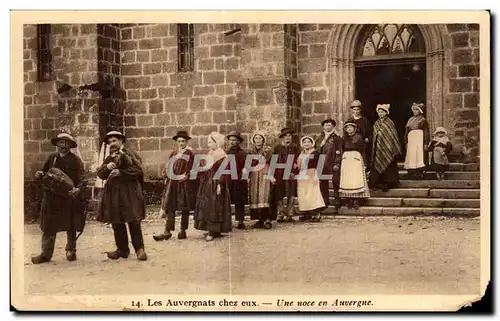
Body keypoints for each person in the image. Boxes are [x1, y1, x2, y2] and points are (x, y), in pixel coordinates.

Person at [31, 133, 86, 264]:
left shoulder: (76, 160)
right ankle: (46, 254)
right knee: (49, 225)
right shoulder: (52, 158)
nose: (64, 146)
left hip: (68, 197)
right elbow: (43, 174)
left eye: (67, 143)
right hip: (52, 197)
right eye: (61, 143)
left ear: (71, 146)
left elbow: (83, 178)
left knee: (71, 224)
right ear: (57, 144)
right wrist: (38, 175)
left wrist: (78, 189)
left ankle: (71, 250)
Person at [96, 131, 148, 261]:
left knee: (133, 220)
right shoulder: (109, 157)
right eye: (109, 142)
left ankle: (139, 250)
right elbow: (101, 174)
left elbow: (139, 170)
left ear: (121, 141)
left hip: (129, 193)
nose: (111, 144)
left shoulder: (130, 154)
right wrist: (107, 168)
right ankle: (122, 250)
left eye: (114, 141)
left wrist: (121, 172)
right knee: (116, 221)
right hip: (113, 195)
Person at [153, 130, 196, 241]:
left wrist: (186, 176)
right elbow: (168, 165)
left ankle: (183, 230)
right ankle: (167, 231)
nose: (181, 143)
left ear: (187, 142)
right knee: (170, 206)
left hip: (183, 183)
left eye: (183, 141)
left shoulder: (189, 154)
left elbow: (192, 169)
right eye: (179, 141)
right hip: (172, 183)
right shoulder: (174, 153)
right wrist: (166, 172)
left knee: (184, 207)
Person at [193, 132, 232, 241]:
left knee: (214, 206)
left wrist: (220, 184)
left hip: (215, 183)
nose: (208, 144)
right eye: (208, 142)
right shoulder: (210, 153)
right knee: (207, 205)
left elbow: (223, 171)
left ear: (217, 143)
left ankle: (213, 231)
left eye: (210, 142)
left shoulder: (221, 155)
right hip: (207, 183)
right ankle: (211, 229)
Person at [270, 127, 300, 222]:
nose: (288, 137)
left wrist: (294, 172)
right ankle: (281, 213)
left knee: (290, 193)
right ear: (282, 137)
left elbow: (298, 161)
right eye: (286, 136)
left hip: (290, 173)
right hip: (279, 173)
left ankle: (290, 214)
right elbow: (273, 161)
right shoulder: (277, 148)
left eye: (289, 136)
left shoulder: (295, 147)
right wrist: (273, 174)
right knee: (279, 193)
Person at [370, 104, 402, 192]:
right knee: (377, 165)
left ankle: (388, 183)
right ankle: (378, 183)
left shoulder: (389, 122)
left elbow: (392, 136)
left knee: (389, 165)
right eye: (379, 112)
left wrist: (391, 147)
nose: (380, 114)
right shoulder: (376, 123)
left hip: (388, 149)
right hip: (378, 149)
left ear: (386, 113)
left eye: (382, 112)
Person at [294, 135, 326, 222]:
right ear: (302, 144)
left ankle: (316, 214)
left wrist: (317, 176)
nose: (306, 144)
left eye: (308, 142)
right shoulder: (300, 154)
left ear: (312, 143)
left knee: (312, 193)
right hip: (302, 175)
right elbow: (298, 165)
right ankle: (306, 213)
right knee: (303, 194)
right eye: (305, 142)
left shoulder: (315, 153)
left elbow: (319, 166)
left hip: (312, 174)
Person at [339, 121, 370, 209]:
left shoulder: (358, 138)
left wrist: (364, 163)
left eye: (351, 127)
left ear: (354, 128)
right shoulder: (343, 138)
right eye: (347, 127)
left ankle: (357, 200)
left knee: (356, 178)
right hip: (346, 160)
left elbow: (363, 150)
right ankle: (349, 199)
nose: (349, 129)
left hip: (356, 158)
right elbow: (341, 149)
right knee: (348, 179)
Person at [315, 118, 343, 212]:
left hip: (331, 161)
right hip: (321, 161)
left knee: (335, 181)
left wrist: (337, 163)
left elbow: (339, 151)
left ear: (333, 126)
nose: (327, 127)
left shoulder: (336, 137)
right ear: (323, 126)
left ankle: (337, 200)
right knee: (322, 182)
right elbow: (315, 150)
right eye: (326, 125)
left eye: (330, 125)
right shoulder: (319, 137)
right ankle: (324, 201)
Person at [248, 132, 274, 229]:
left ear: (263, 140)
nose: (258, 140)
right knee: (255, 195)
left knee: (264, 194)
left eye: (260, 138)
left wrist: (272, 175)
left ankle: (267, 219)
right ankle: (259, 219)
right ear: (253, 140)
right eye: (256, 138)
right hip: (254, 173)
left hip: (265, 171)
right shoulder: (251, 151)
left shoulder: (268, 150)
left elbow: (271, 163)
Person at [226, 131, 249, 229]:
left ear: (238, 141)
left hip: (239, 180)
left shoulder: (242, 153)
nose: (232, 142)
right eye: (230, 140)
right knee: (227, 200)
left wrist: (245, 174)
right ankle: (227, 221)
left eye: (234, 140)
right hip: (229, 179)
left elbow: (247, 166)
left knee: (240, 201)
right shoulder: (226, 153)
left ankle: (240, 220)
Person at [404, 103, 430, 180]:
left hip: (419, 138)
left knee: (419, 155)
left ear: (420, 111)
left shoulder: (423, 120)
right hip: (411, 138)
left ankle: (420, 173)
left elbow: (426, 131)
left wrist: (426, 142)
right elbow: (406, 131)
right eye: (414, 110)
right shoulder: (410, 120)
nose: (415, 111)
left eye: (417, 110)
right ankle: (412, 172)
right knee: (412, 154)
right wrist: (406, 141)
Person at [347, 100, 373, 171]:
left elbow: (370, 133)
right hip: (352, 145)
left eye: (357, 109)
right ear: (352, 110)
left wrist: (368, 138)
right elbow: (346, 132)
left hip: (362, 146)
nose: (356, 111)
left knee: (362, 163)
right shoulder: (349, 120)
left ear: (360, 110)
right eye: (354, 109)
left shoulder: (365, 121)